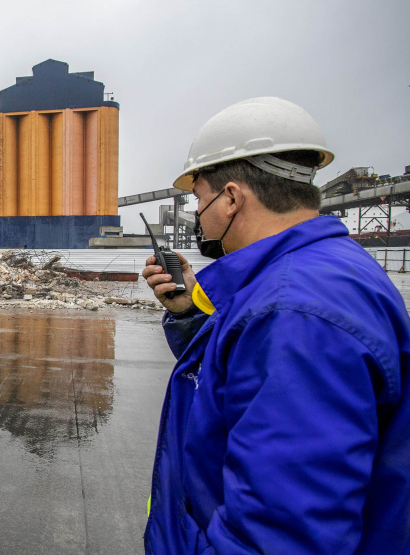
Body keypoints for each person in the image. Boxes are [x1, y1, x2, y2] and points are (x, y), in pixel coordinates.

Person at [141, 97, 410, 553]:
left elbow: (281, 535)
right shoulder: (317, 272)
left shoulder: (294, 312)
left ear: (230, 198)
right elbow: (240, 379)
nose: (197, 213)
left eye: (199, 198)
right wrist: (190, 312)